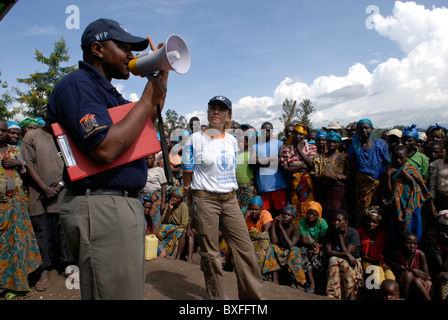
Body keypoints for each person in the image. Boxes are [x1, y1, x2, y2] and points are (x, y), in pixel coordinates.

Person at [46, 18, 168, 300]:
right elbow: (105, 148)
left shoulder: (106, 91)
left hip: (116, 204)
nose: (131, 55)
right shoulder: (77, 85)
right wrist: (146, 97)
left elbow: (147, 120)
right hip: (101, 205)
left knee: (125, 292)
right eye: (123, 47)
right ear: (98, 49)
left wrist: (161, 73)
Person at [181, 95, 263, 300]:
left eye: (221, 109)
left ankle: (253, 300)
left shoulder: (231, 141)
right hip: (205, 200)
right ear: (208, 112)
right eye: (212, 108)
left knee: (245, 249)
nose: (216, 112)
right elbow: (187, 174)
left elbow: (230, 170)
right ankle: (218, 300)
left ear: (229, 116)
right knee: (211, 254)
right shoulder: (195, 139)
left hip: (230, 200)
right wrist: (193, 201)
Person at [21, 106, 74, 291]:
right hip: (39, 195)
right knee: (41, 233)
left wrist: (59, 186)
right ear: (45, 116)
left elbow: (71, 164)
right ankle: (43, 269)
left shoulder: (64, 137)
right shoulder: (32, 136)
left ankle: (67, 265)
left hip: (62, 193)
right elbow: (27, 164)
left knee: (63, 232)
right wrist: (44, 188)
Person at [0, 119, 42, 300]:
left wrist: (19, 165)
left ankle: (15, 287)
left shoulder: (16, 151)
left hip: (16, 205)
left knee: (15, 247)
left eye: (3, 130)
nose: (1, 133)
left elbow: (27, 174)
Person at [384, 145, 429, 251]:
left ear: (407, 156)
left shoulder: (412, 169)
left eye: (401, 157)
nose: (398, 160)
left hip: (411, 207)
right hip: (396, 208)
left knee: (413, 232)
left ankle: (414, 259)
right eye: (395, 157)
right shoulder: (391, 169)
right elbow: (388, 192)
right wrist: (388, 176)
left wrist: (409, 178)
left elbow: (421, 188)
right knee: (395, 234)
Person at [348, 118, 390, 228]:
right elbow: (353, 167)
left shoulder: (380, 144)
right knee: (362, 214)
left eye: (367, 128)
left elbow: (387, 163)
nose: (364, 131)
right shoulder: (354, 147)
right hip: (362, 187)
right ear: (357, 130)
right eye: (361, 128)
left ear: (371, 129)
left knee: (378, 213)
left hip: (379, 185)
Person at [280, 124, 317, 224]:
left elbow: (312, 165)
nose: (297, 136)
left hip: (308, 185)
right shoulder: (287, 150)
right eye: (295, 133)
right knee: (295, 207)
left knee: (309, 208)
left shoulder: (312, 148)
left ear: (305, 136)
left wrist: (300, 150)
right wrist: (302, 166)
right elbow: (285, 170)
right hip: (294, 185)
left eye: (300, 134)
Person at [263, 204, 307, 288]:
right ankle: (274, 279)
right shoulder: (277, 226)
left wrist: (281, 229)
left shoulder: (296, 229)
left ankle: (295, 282)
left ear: (293, 217)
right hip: (280, 251)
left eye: (288, 215)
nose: (285, 216)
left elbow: (291, 245)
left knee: (295, 250)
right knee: (271, 247)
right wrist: (274, 225)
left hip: (290, 252)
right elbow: (274, 242)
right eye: (284, 214)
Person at [312, 131, 352, 222]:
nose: (331, 144)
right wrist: (325, 176)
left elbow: (350, 176)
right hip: (324, 193)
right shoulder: (318, 157)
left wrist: (338, 177)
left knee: (339, 215)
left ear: (339, 144)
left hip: (340, 194)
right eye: (329, 141)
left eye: (334, 142)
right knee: (325, 216)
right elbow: (314, 176)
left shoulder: (345, 158)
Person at [251, 122, 288, 217]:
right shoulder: (255, 146)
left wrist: (261, 161)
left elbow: (281, 161)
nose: (266, 132)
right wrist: (272, 159)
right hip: (263, 187)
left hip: (278, 186)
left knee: (280, 214)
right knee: (266, 214)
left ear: (272, 131)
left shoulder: (280, 144)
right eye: (264, 130)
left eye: (268, 130)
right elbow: (253, 162)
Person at [324, 210, 363, 300]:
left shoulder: (353, 233)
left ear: (346, 222)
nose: (336, 222)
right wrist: (346, 254)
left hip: (352, 261)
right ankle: (333, 294)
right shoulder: (330, 231)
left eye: (339, 220)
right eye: (334, 220)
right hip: (341, 258)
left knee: (343, 263)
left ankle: (350, 294)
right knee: (333, 259)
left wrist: (340, 236)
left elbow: (349, 255)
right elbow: (329, 251)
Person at [357, 206, 395, 292]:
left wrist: (385, 263)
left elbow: (386, 251)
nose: (371, 224)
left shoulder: (383, 234)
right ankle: (381, 294)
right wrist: (372, 260)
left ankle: (390, 294)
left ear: (379, 223)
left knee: (390, 276)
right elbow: (358, 253)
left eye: (374, 222)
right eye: (369, 221)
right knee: (376, 272)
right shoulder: (359, 232)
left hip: (380, 262)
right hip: (366, 261)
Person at [391, 231, 432, 300]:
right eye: (409, 243)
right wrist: (409, 269)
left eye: (415, 243)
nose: (412, 246)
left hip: (420, 283)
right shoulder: (398, 254)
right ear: (402, 244)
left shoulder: (420, 254)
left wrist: (413, 271)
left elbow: (426, 276)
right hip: (405, 282)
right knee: (408, 275)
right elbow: (395, 271)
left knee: (416, 281)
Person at [298, 201, 328, 294]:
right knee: (302, 251)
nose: (310, 216)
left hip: (320, 246)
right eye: (309, 213)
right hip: (307, 245)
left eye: (314, 214)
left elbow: (326, 240)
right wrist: (313, 245)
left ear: (318, 216)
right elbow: (303, 240)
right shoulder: (303, 222)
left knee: (320, 256)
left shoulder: (322, 223)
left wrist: (319, 246)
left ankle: (319, 285)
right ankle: (312, 283)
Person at [156, 185, 189, 259]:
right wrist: (169, 210)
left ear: (180, 199)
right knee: (162, 227)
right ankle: (161, 250)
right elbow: (164, 222)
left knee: (179, 232)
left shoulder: (183, 206)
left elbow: (184, 224)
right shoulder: (168, 205)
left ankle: (174, 254)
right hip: (170, 226)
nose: (174, 199)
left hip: (178, 227)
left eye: (177, 198)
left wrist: (170, 231)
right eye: (173, 197)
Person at [244, 195, 274, 274]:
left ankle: (257, 272)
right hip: (249, 241)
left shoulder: (265, 214)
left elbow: (265, 235)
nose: (253, 212)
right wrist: (245, 218)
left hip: (261, 241)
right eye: (251, 209)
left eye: (256, 209)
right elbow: (241, 233)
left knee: (263, 244)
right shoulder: (247, 217)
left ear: (261, 209)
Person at [141, 153, 167, 233]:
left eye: (150, 159)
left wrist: (163, 203)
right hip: (144, 196)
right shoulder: (143, 169)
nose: (148, 161)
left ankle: (156, 238)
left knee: (155, 217)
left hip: (155, 196)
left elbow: (163, 186)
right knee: (143, 218)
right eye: (146, 159)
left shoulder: (159, 170)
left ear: (154, 159)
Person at [236, 131, 257, 215]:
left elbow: (255, 170)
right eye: (239, 142)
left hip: (248, 185)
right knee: (238, 207)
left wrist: (255, 186)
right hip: (238, 186)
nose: (241, 144)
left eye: (243, 142)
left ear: (247, 143)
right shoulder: (235, 154)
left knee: (248, 207)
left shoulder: (250, 153)